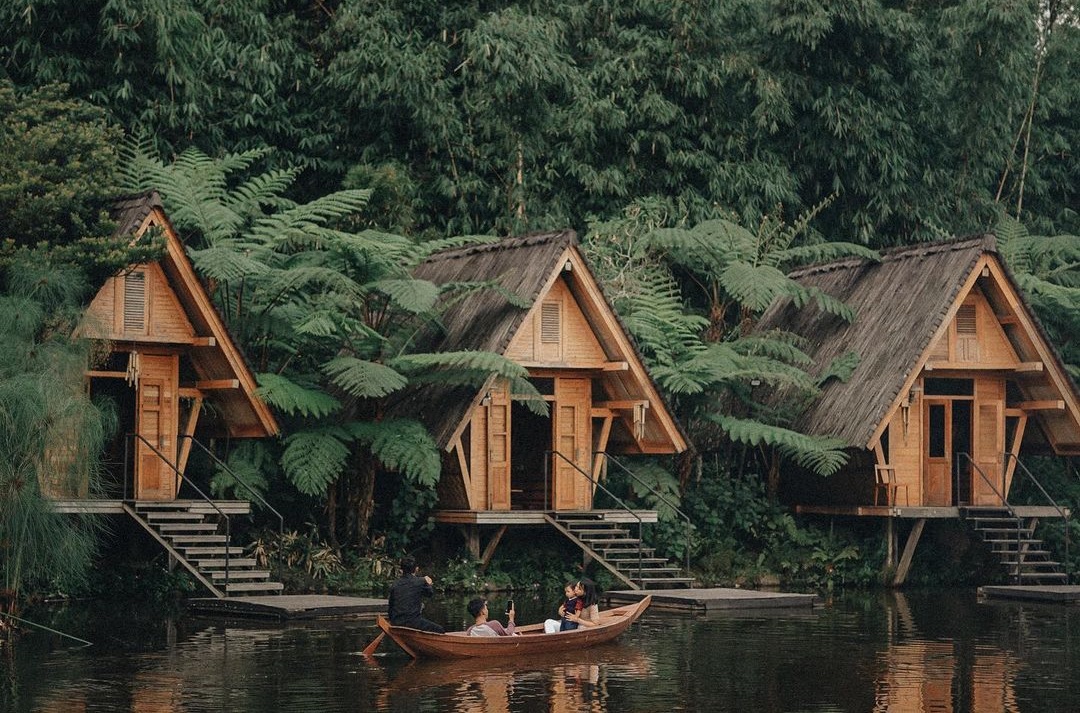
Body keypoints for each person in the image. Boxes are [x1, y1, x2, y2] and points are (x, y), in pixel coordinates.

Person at [387, 556, 445, 633]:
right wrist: (429, 583)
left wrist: (392, 621)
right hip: (413, 622)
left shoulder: (395, 584)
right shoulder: (420, 581)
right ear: (416, 569)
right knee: (440, 629)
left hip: (396, 621)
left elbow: (391, 606)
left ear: (401, 570)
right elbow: (430, 594)